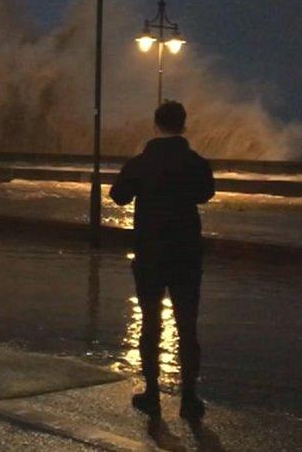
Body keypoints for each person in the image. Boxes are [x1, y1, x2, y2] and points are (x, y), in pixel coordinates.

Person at [110, 100, 215, 420]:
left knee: (151, 324)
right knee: (187, 327)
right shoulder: (196, 163)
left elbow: (118, 196)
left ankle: (152, 394)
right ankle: (189, 400)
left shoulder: (140, 163)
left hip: (151, 254)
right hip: (185, 254)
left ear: (156, 125)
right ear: (184, 125)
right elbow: (205, 194)